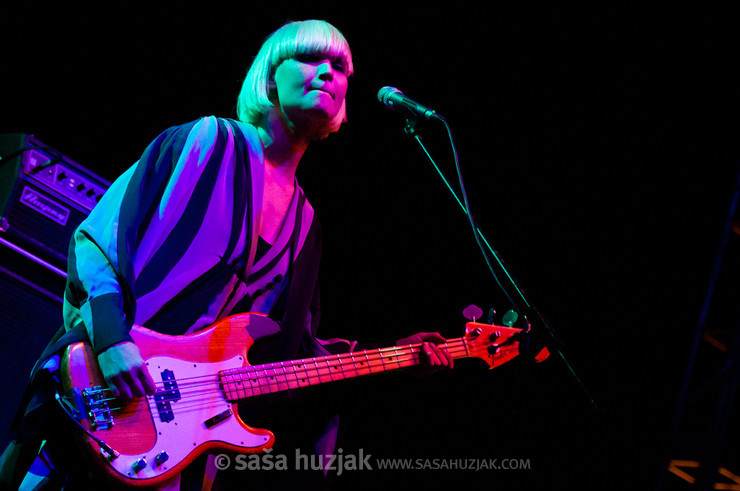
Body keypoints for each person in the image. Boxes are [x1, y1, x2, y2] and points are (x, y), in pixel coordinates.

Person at [0, 19, 453, 490]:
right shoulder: (206, 140)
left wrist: (393, 356)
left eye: (340, 67)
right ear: (270, 77)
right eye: (310, 58)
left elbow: (296, 353)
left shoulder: (307, 224)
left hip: (184, 449)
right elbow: (97, 240)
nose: (328, 74)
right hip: (97, 386)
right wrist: (113, 340)